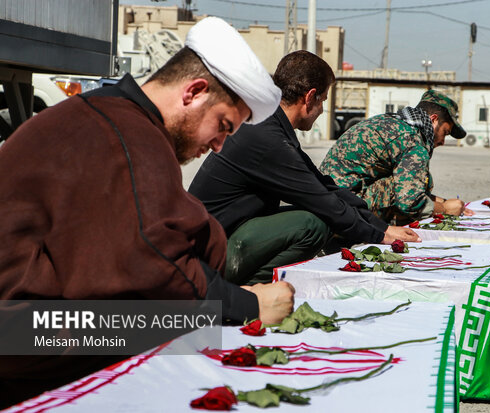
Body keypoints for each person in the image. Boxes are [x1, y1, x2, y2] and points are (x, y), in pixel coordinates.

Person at [0, 17, 294, 406]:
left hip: (26, 321)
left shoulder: (111, 118)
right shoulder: (130, 136)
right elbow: (153, 261)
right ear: (194, 92)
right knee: (193, 334)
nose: (220, 145)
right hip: (23, 333)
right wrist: (250, 305)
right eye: (222, 125)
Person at [189, 50, 419, 286]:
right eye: (323, 101)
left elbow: (324, 186)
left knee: (324, 214)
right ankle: (249, 291)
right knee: (313, 224)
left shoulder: (269, 126)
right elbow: (322, 201)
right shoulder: (266, 139)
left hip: (221, 240)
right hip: (203, 259)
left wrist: (381, 227)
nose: (321, 110)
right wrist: (380, 236)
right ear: (310, 97)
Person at [320, 89, 474, 226]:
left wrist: (444, 202)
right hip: (341, 210)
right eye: (445, 133)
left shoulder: (393, 122)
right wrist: (445, 209)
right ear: (434, 120)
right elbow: (409, 201)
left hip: (328, 199)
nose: (442, 141)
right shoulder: (413, 139)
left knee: (412, 183)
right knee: (411, 188)